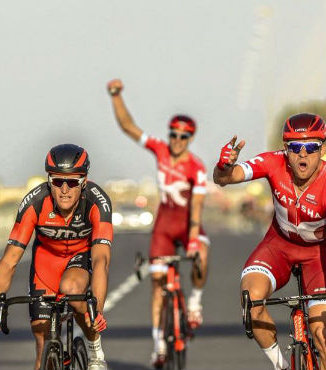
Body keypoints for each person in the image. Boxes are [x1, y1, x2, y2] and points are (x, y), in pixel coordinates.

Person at [213, 113, 326, 370]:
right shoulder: (273, 162)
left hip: (317, 257)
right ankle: (282, 367)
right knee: (251, 301)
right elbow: (223, 180)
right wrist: (223, 166)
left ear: (322, 149)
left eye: (311, 147)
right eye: (294, 148)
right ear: (284, 149)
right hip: (278, 245)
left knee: (324, 337)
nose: (303, 154)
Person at [107, 79, 210, 368]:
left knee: (202, 253)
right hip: (165, 223)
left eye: (183, 136)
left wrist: (192, 240)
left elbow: (198, 208)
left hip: (188, 222)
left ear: (190, 139)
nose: (176, 140)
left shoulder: (197, 168)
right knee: (157, 283)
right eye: (173, 134)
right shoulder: (161, 151)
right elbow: (129, 127)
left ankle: (194, 303)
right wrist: (116, 96)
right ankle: (158, 347)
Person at [0, 144, 113, 370]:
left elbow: (101, 260)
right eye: (57, 181)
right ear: (49, 181)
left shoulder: (97, 201)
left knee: (73, 289)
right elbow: (10, 259)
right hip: (45, 265)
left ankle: (94, 351)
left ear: (84, 181)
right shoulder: (35, 202)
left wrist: (98, 309)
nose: (64, 189)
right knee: (41, 339)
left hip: (80, 258)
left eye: (72, 182)